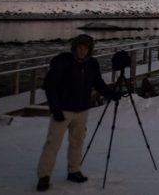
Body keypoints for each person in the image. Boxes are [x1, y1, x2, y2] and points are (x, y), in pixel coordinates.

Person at [36, 34, 118, 192]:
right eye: (80, 48)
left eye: (85, 48)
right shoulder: (63, 62)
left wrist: (111, 94)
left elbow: (98, 83)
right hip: (63, 109)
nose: (82, 51)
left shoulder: (92, 64)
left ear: (90, 50)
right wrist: (55, 109)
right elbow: (50, 86)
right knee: (53, 144)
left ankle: (74, 170)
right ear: (74, 48)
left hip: (82, 109)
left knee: (77, 142)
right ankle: (44, 176)